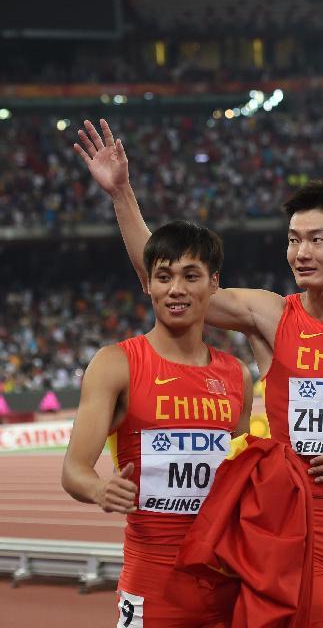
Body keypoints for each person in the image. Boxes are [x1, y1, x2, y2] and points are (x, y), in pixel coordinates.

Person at [74, 119, 323, 628]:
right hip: (295, 529)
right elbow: (169, 278)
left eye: (316, 240)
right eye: (293, 240)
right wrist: (122, 194)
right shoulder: (271, 316)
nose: (301, 253)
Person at [61, 217, 253, 627]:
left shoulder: (237, 376)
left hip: (227, 584)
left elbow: (241, 478)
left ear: (213, 282)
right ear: (148, 284)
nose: (176, 289)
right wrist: (100, 488)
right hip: (153, 586)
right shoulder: (115, 364)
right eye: (163, 277)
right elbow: (74, 470)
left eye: (190, 275)